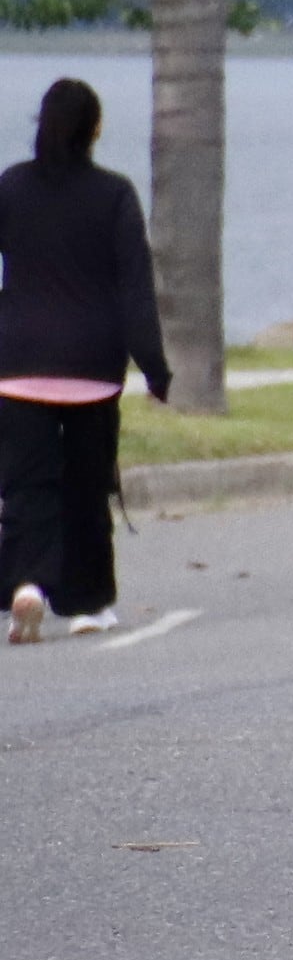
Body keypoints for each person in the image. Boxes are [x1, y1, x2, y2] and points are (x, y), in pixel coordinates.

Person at [0, 80, 168, 639]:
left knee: (26, 487)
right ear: (95, 129)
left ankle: (26, 584)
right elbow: (136, 291)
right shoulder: (114, 195)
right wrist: (154, 367)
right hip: (93, 368)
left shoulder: (11, 187)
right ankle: (87, 603)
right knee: (87, 486)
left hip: (18, 364)